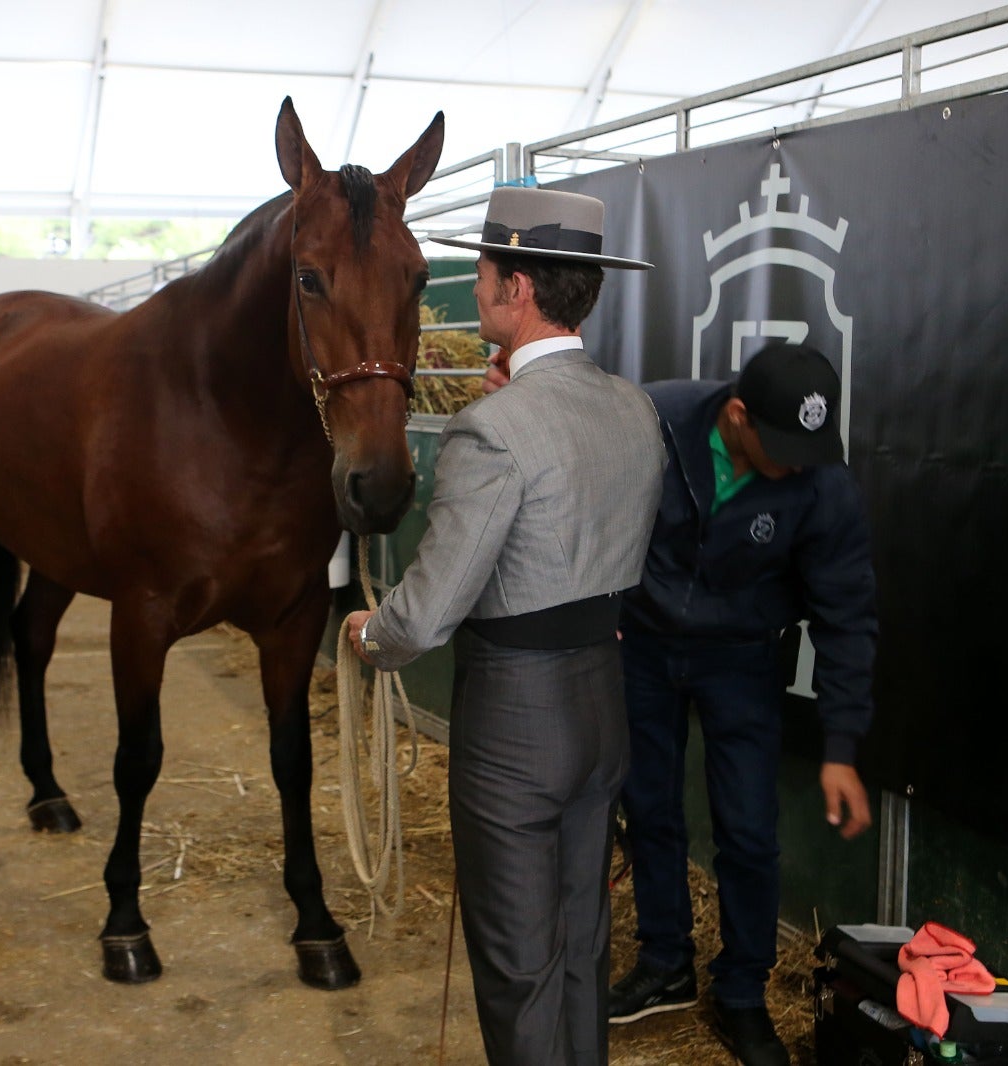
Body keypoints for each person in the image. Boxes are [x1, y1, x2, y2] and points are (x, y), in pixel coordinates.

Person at [345, 184, 664, 1066]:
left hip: (517, 727)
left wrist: (371, 636)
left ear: (515, 288)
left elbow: (429, 611)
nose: (475, 286)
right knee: (580, 946)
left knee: (519, 966)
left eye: (483, 272)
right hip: (602, 703)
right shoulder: (634, 409)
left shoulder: (492, 429)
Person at [606, 342, 877, 1066]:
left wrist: (842, 748)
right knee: (652, 809)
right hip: (645, 643)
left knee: (749, 832)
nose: (797, 464)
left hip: (743, 656)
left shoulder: (821, 483)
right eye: (782, 446)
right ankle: (665, 962)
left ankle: (742, 992)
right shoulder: (654, 419)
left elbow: (847, 616)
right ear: (735, 416)